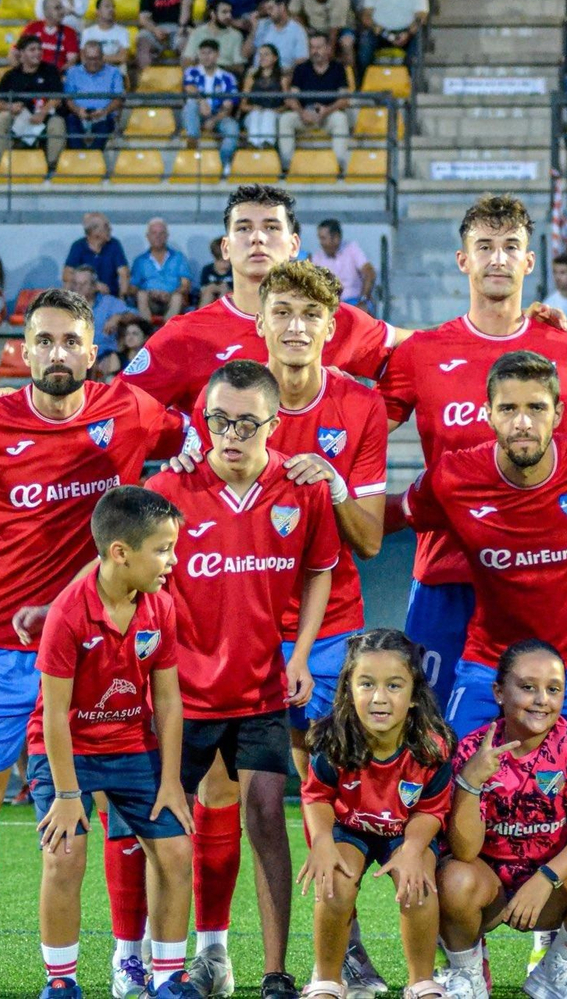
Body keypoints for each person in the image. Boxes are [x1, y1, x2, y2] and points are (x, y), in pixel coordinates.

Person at [0, 288, 187, 999]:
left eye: (72, 340)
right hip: (1, 649)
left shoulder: (127, 409)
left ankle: (129, 959)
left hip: (104, 645)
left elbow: (201, 438)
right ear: (24, 349)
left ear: (93, 348)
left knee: (120, 806)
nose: (58, 353)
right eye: (44, 341)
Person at [394, 350, 567, 998]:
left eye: (536, 407)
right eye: (509, 408)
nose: (523, 420)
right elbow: (389, 518)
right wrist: (316, 489)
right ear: (488, 413)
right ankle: (465, 961)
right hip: (490, 662)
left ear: (559, 413)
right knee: (454, 784)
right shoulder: (453, 477)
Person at [145, 360, 339, 999]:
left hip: (260, 691)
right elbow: (146, 587)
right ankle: (166, 967)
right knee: (168, 823)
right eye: (219, 420)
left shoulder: (300, 487)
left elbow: (320, 571)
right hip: (185, 694)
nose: (230, 434)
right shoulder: (172, 489)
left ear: (273, 423)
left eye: (246, 423)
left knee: (264, 817)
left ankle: (277, 973)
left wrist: (301, 654)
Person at [381, 196, 567, 708]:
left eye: (511, 247)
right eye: (485, 247)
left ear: (530, 262)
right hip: (447, 575)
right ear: (464, 260)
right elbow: (358, 429)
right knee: (432, 735)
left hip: (545, 582)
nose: (498, 259)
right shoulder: (422, 353)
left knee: (548, 743)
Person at [186, 260, 388, 788]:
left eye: (310, 314)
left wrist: (336, 489)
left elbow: (368, 541)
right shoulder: (220, 399)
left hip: (329, 626)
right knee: (224, 788)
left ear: (331, 327)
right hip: (239, 623)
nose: (296, 327)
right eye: (282, 313)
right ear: (260, 322)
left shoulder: (361, 405)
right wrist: (187, 467)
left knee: (335, 783)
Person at [27, 485, 197, 999]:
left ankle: (168, 977)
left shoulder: (161, 607)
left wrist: (170, 781)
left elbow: (167, 702)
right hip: (67, 753)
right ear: (121, 553)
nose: (172, 560)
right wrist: (66, 794)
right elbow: (54, 713)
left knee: (176, 852)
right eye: (163, 549)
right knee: (64, 856)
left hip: (131, 747)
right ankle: (61, 981)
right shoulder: (68, 613)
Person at [436, 640, 567, 999]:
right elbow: (464, 851)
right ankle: (466, 974)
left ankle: (556, 968)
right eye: (528, 687)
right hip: (490, 893)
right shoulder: (472, 748)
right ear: (499, 692)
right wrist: (471, 781)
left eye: (553, 689)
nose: (542, 699)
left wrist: (546, 879)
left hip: (551, 890)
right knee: (453, 877)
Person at [121, 184, 403, 416]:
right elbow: (119, 414)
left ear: (294, 245)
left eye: (271, 227)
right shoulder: (185, 335)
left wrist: (372, 417)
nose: (257, 237)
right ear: (226, 247)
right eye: (243, 228)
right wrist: (191, 433)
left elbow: (420, 354)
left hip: (320, 483)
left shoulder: (333, 319)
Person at [296, 631, 455, 999]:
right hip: (350, 827)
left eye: (394, 686)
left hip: (405, 829)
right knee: (335, 883)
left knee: (417, 885)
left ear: (414, 695)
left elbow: (431, 808)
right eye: (366, 684)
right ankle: (328, 978)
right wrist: (321, 841)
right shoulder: (333, 739)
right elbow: (316, 795)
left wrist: (414, 850)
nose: (380, 697)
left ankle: (420, 981)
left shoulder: (431, 746)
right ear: (348, 690)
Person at [0, 34, 66, 168]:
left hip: (45, 115)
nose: (37, 53)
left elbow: (57, 97)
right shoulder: (11, 75)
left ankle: (52, 167)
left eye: (39, 49)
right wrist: (10, 107)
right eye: (32, 49)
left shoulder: (50, 70)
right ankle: (3, 165)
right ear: (21, 53)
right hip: (19, 116)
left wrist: (42, 113)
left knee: (58, 124)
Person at [281, 31, 352, 168]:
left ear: (328, 49)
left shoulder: (338, 68)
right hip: (305, 115)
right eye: (312, 47)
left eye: (319, 47)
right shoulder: (301, 69)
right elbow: (292, 98)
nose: (315, 51)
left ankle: (338, 165)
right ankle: (287, 164)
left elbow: (344, 99)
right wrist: (302, 113)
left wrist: (327, 110)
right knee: (286, 119)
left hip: (328, 115)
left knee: (340, 119)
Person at [358, 0, 429, 73]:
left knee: (416, 53)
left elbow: (421, 16)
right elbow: (366, 17)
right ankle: (363, 86)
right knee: (364, 49)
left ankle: (413, 87)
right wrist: (384, 33)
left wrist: (407, 34)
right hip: (380, 32)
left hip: (408, 33)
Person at [181, 39, 242, 172]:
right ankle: (193, 139)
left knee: (232, 128)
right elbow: (189, 88)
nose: (206, 57)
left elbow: (228, 106)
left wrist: (214, 120)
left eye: (209, 53)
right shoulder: (192, 72)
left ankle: (221, 164)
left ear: (217, 55)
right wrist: (202, 101)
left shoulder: (228, 77)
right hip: (196, 114)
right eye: (202, 53)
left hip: (218, 115)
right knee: (191, 104)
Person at [63, 40, 126, 151]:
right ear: (83, 57)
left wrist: (105, 111)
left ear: (102, 57)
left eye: (96, 58)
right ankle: (80, 157)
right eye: (89, 59)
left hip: (104, 115)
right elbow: (68, 98)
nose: (93, 62)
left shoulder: (114, 72)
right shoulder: (72, 72)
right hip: (79, 114)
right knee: (71, 123)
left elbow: (118, 98)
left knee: (104, 127)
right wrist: (78, 111)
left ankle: (93, 158)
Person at [136, 0, 195, 72]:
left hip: (179, 28)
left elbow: (186, 7)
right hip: (158, 28)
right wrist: (155, 30)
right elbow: (143, 18)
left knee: (187, 45)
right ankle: (146, 84)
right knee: (142, 42)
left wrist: (182, 26)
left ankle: (188, 85)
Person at [130, 218, 194, 321]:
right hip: (149, 301)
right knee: (141, 295)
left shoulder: (179, 257)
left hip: (172, 300)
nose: (158, 236)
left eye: (161, 233)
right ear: (148, 236)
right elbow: (132, 288)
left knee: (177, 297)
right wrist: (150, 293)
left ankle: (167, 333)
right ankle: (147, 330)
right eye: (154, 233)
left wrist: (171, 294)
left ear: (167, 236)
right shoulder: (140, 261)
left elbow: (186, 285)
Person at [64, 213, 131, 299]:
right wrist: (94, 285)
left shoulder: (114, 245)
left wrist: (122, 299)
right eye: (106, 226)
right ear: (94, 231)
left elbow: (124, 273)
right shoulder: (78, 247)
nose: (110, 229)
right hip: (84, 298)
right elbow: (67, 275)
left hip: (110, 297)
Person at [311, 219, 376, 306]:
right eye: (320, 238)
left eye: (323, 238)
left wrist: (363, 299)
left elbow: (370, 273)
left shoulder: (352, 249)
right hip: (330, 306)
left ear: (336, 238)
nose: (321, 243)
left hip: (356, 301)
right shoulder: (317, 258)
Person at [248, 0, 311, 71]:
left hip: (283, 75)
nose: (268, 12)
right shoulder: (261, 25)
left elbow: (302, 59)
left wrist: (285, 72)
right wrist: (254, 29)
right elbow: (245, 54)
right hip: (258, 73)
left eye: (271, 8)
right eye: (266, 10)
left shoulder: (297, 30)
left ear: (282, 7)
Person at [19, 0, 81, 71]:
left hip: (57, 76)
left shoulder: (69, 32)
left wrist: (55, 75)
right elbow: (15, 52)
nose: (62, 11)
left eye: (61, 7)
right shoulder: (32, 28)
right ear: (46, 12)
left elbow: (72, 61)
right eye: (57, 8)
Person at [184, 0, 249, 74]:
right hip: (201, 74)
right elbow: (188, 59)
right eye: (224, 12)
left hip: (224, 75)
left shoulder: (236, 35)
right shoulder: (197, 33)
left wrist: (215, 68)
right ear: (213, 14)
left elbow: (239, 66)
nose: (229, 16)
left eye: (230, 12)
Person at [243, 43, 288, 148]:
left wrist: (276, 110)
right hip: (254, 115)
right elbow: (243, 105)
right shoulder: (251, 78)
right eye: (260, 55)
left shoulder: (282, 78)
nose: (262, 58)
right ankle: (253, 145)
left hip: (274, 114)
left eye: (266, 55)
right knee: (256, 114)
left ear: (275, 58)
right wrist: (253, 108)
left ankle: (267, 145)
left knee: (268, 115)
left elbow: (287, 104)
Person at [80, 0, 134, 70]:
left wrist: (96, 58)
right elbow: (84, 58)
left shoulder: (123, 31)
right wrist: (113, 57)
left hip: (115, 70)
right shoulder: (87, 32)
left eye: (113, 7)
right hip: (93, 71)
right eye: (107, 6)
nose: (111, 9)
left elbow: (123, 57)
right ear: (97, 11)